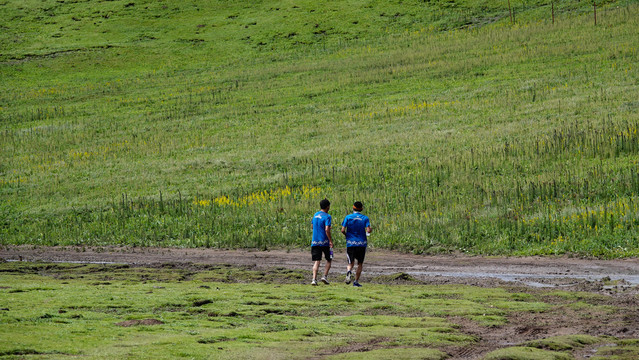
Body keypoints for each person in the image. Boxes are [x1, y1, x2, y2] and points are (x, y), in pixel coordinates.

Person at [341, 201, 371, 287]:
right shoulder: (365, 218)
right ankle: (356, 282)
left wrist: (347, 235)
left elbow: (342, 230)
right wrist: (370, 230)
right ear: (361, 209)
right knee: (360, 264)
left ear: (353, 208)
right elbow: (368, 230)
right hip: (361, 243)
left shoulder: (348, 217)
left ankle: (349, 271)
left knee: (350, 263)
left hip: (351, 243)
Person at [311, 198, 333, 285]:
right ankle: (324, 276)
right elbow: (327, 229)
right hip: (324, 242)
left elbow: (312, 226)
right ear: (327, 207)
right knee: (329, 259)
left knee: (317, 261)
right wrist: (330, 240)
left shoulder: (315, 215)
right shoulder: (327, 216)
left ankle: (314, 279)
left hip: (315, 241)